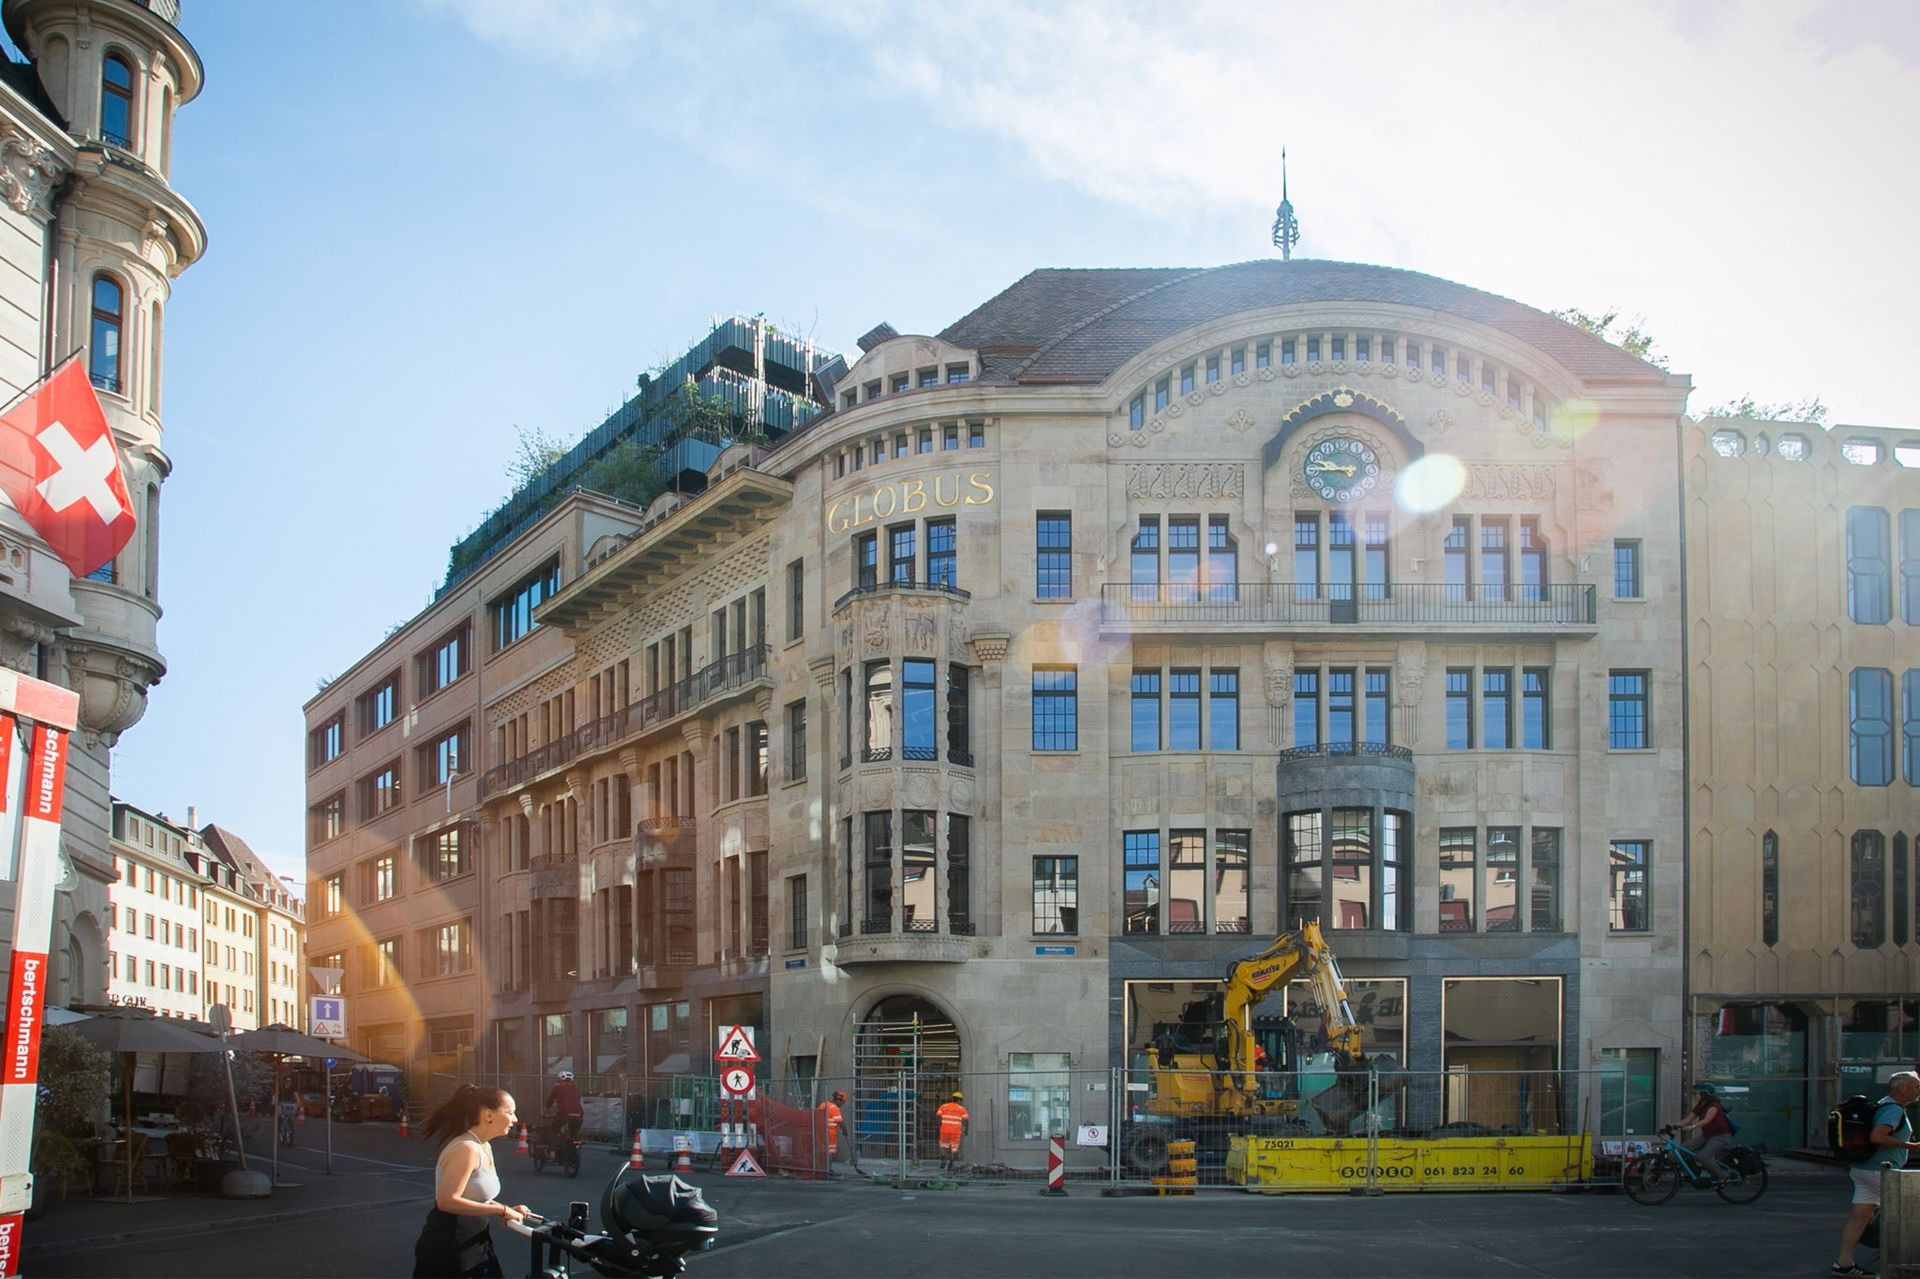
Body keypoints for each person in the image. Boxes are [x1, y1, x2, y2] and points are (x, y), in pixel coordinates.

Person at [412, 1084, 530, 1278]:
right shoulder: (466, 1149)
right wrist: (500, 1210)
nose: (515, 1119)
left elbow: (474, 1195)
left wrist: (507, 1209)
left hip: (476, 1239)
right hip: (449, 1244)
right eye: (510, 1112)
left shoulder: (483, 1146)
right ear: (488, 1115)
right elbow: (447, 1201)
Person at [1833, 1070, 1920, 1278]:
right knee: (1912, 1210)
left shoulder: (1883, 1103)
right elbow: (1877, 1136)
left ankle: (1843, 1264)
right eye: (1916, 1086)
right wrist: (1913, 1146)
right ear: (1902, 1088)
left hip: (1863, 1169)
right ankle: (1901, 1264)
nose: (1919, 1090)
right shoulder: (1894, 1110)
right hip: (1881, 1172)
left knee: (1859, 1217)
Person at [1672, 1082, 1734, 1184]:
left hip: (1720, 1136)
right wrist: (1672, 1126)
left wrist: (1691, 1127)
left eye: (1695, 1093)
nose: (1694, 1096)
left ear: (1704, 1094)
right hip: (1708, 1135)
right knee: (1682, 1149)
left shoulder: (1714, 1106)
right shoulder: (1700, 1105)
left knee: (1703, 1157)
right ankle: (1696, 1173)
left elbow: (1706, 1120)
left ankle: (1723, 1177)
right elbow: (1688, 1119)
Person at [821, 1090, 859, 1176]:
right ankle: (828, 1170)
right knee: (830, 1152)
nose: (842, 1105)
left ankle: (821, 1169)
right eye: (843, 1103)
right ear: (839, 1100)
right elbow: (840, 1122)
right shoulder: (834, 1108)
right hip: (830, 1134)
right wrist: (845, 1130)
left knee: (823, 1151)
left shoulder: (823, 1105)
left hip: (820, 1133)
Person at [544, 1071, 584, 1149]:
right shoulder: (576, 1089)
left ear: (560, 1080)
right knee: (574, 1133)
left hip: (564, 1114)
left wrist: (544, 1111)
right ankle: (574, 1146)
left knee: (553, 1130)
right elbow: (577, 1099)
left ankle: (553, 1150)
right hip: (579, 1115)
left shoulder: (557, 1088)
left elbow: (550, 1101)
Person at [936, 1091, 969, 1171]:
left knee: (943, 1146)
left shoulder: (943, 1106)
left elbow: (938, 1117)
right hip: (955, 1132)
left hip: (944, 1130)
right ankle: (951, 1164)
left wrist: (938, 1127)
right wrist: (966, 1129)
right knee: (953, 1148)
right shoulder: (962, 1109)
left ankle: (943, 1159)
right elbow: (966, 1120)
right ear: (959, 1100)